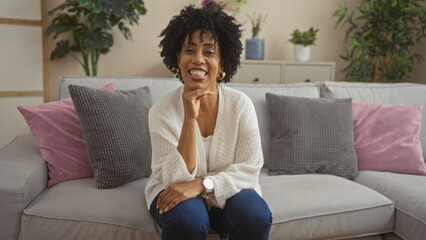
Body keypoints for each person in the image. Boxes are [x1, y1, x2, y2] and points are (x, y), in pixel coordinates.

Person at [144, 4, 272, 240]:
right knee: (187, 219)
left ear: (222, 64)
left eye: (209, 52)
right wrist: (189, 119)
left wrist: (204, 184)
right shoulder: (161, 111)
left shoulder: (240, 105)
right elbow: (174, 181)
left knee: (255, 215)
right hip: (174, 190)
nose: (198, 59)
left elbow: (250, 169)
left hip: (230, 188)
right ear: (178, 58)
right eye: (189, 50)